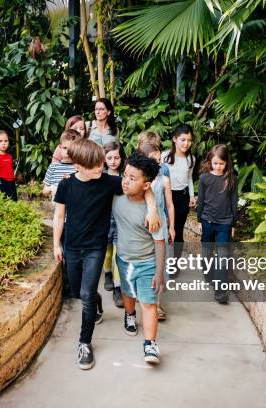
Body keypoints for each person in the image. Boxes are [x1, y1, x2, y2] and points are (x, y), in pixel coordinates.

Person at [53, 138, 160, 370]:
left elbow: (145, 186)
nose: (99, 168)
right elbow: (59, 216)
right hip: (71, 246)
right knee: (81, 291)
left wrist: (152, 209)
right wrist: (56, 244)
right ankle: (96, 301)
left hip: (95, 248)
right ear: (78, 166)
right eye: (94, 165)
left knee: (87, 293)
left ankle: (84, 343)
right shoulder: (66, 185)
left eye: (101, 163)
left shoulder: (108, 182)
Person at [112, 152, 165, 364]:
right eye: (125, 175)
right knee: (127, 293)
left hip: (147, 263)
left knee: (149, 303)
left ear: (146, 185)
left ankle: (150, 344)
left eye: (132, 179)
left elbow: (159, 242)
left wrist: (159, 272)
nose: (125, 181)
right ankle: (129, 315)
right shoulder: (116, 196)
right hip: (123, 259)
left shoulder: (153, 212)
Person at [138, 142, 175, 321]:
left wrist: (172, 227)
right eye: (154, 160)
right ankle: (143, 297)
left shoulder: (164, 179)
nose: (158, 163)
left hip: (160, 226)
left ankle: (158, 303)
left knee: (161, 264)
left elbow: (169, 204)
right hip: (141, 228)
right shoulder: (138, 180)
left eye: (159, 160)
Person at [197, 144, 238, 304]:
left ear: (227, 162)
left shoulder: (231, 179)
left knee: (222, 256)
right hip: (207, 221)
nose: (218, 166)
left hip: (224, 224)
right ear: (210, 162)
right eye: (215, 163)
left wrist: (233, 224)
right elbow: (201, 201)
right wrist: (200, 220)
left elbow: (234, 202)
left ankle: (221, 292)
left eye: (221, 163)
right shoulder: (204, 178)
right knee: (206, 251)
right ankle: (208, 274)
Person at [161, 124, 196, 275]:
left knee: (178, 231)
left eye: (189, 140)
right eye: (183, 139)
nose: (186, 143)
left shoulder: (191, 159)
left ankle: (174, 264)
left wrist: (192, 195)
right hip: (165, 197)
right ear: (175, 139)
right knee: (164, 230)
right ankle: (160, 263)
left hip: (182, 197)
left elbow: (189, 179)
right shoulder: (164, 156)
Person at [102, 141, 126, 308]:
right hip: (104, 220)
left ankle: (118, 288)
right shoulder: (100, 176)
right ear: (104, 159)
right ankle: (108, 273)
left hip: (121, 220)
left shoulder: (125, 176)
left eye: (116, 157)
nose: (113, 161)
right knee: (108, 251)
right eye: (109, 157)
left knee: (119, 252)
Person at [43, 130, 79, 199]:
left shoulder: (79, 168)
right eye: (65, 148)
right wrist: (52, 188)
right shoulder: (53, 167)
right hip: (56, 207)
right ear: (60, 147)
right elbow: (44, 191)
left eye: (71, 149)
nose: (67, 152)